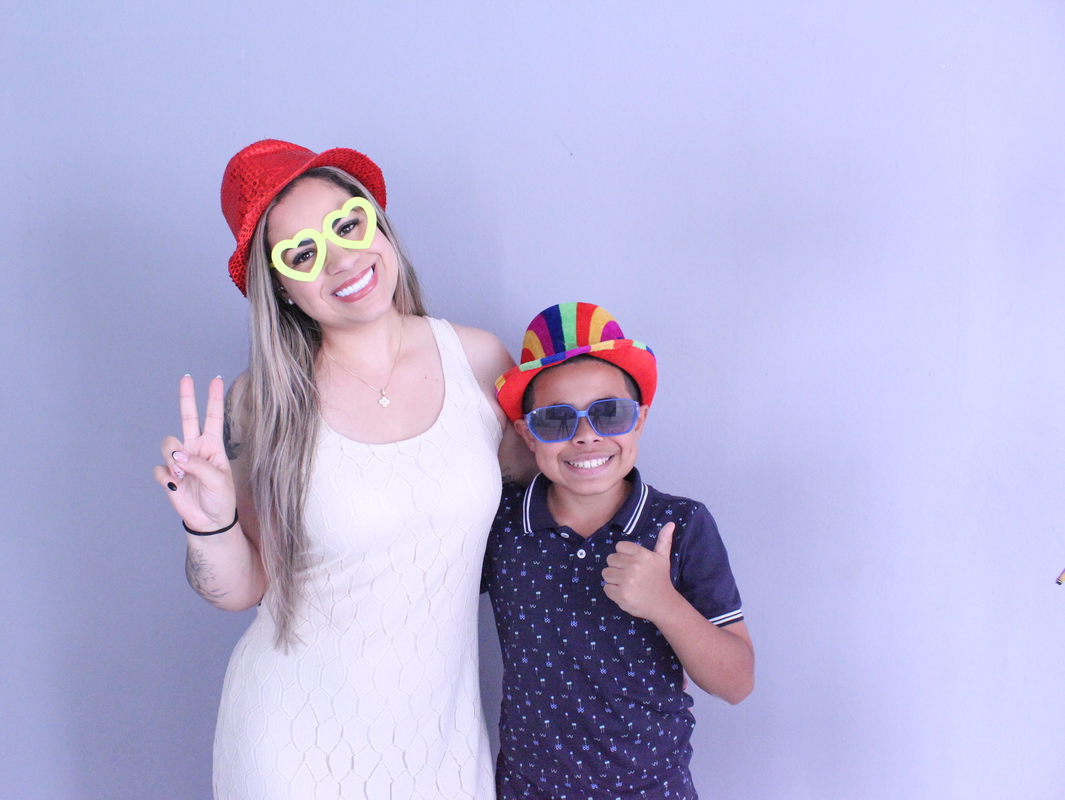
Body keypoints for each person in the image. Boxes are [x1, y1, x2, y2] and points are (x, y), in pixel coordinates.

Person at [153, 139, 528, 799]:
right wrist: (210, 527)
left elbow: (546, 509)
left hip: (439, 744)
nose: (341, 258)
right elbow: (244, 587)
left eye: (347, 225)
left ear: (377, 223)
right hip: (293, 747)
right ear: (281, 289)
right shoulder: (262, 404)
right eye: (302, 255)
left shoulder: (479, 361)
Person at [482, 302, 755, 799]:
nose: (586, 436)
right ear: (527, 434)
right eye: (555, 420)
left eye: (609, 414)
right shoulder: (499, 524)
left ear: (640, 420)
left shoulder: (681, 525)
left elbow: (737, 682)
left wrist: (665, 604)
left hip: (654, 790)